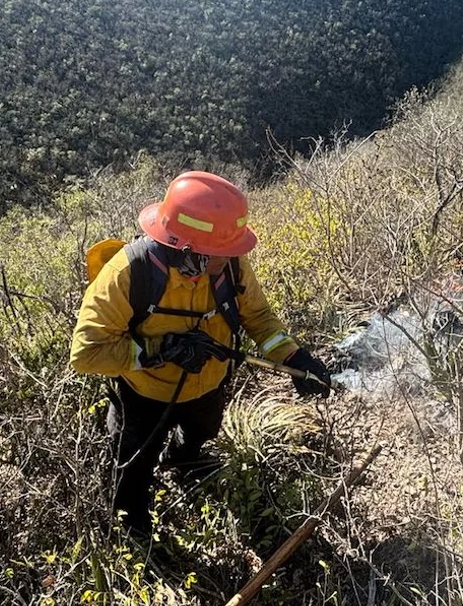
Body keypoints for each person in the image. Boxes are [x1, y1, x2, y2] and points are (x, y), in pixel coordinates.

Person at [70, 171, 332, 534]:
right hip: (143, 395)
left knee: (200, 434)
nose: (230, 259)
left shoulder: (229, 262)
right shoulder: (128, 275)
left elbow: (257, 316)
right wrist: (158, 352)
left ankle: (184, 462)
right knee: (133, 466)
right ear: (186, 250)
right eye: (219, 254)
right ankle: (133, 531)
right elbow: (86, 352)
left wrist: (293, 358)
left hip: (208, 385)